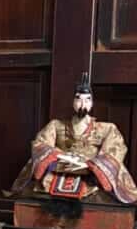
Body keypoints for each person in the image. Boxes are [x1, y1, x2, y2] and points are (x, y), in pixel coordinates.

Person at [9, 72, 137, 205]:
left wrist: (93, 164)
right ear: (73, 102)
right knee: (38, 187)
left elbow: (115, 149)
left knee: (103, 191)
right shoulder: (56, 125)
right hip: (60, 167)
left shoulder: (107, 128)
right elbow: (40, 143)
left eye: (87, 100)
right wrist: (57, 156)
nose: (83, 104)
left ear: (92, 103)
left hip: (90, 171)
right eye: (78, 99)